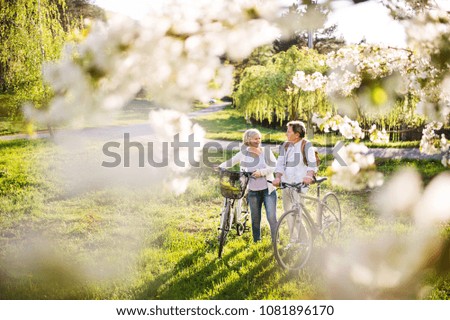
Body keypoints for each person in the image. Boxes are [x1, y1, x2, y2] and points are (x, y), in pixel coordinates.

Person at [219, 129, 277, 243]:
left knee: (271, 217)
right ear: (248, 139)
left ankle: (275, 240)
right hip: (252, 191)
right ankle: (257, 241)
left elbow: (274, 166)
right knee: (255, 219)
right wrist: (220, 166)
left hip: (268, 190)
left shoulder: (266, 151)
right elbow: (231, 162)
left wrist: (261, 172)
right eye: (255, 138)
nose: (258, 141)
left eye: (259, 138)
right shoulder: (243, 153)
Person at [272, 120, 318, 217]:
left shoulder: (306, 144)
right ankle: (295, 233)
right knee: (288, 213)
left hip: (300, 184)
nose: (286, 134)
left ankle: (304, 233)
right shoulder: (285, 145)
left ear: (296, 135)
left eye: (288, 132)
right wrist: (278, 177)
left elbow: (312, 163)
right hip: (286, 184)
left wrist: (309, 176)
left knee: (297, 214)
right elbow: (280, 164)